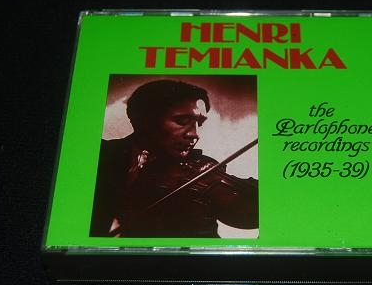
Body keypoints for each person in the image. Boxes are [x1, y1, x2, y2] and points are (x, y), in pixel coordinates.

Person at [90, 79, 258, 237]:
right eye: (182, 120)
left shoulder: (203, 173)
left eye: (200, 123)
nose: (195, 134)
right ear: (144, 119)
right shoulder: (100, 155)